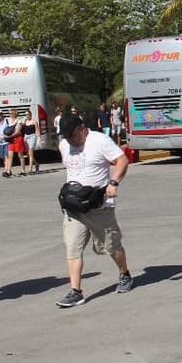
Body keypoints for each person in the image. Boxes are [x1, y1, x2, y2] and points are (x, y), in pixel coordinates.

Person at [55, 113, 134, 308]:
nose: (69, 141)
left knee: (111, 246)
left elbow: (122, 160)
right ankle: (76, 291)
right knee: (72, 248)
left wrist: (113, 182)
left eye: (72, 136)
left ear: (81, 128)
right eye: (65, 137)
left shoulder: (100, 141)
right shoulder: (64, 144)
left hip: (99, 207)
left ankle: (124, 273)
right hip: (74, 207)